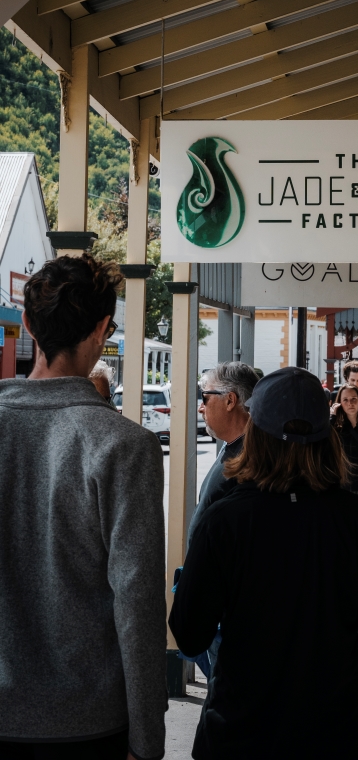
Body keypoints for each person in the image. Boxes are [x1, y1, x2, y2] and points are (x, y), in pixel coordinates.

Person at [170, 367, 358, 760]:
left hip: (240, 733)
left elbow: (190, 633)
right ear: (326, 435)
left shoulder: (225, 520)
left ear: (256, 434)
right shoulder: (356, 520)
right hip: (337, 733)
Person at [0, 255, 166, 760]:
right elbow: (136, 600)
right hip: (89, 722)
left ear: (27, 324)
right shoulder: (124, 445)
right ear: (102, 330)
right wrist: (147, 740)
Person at [188, 361, 259, 545]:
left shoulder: (250, 459)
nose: (200, 407)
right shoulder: (235, 448)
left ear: (230, 401)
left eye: (205, 398)